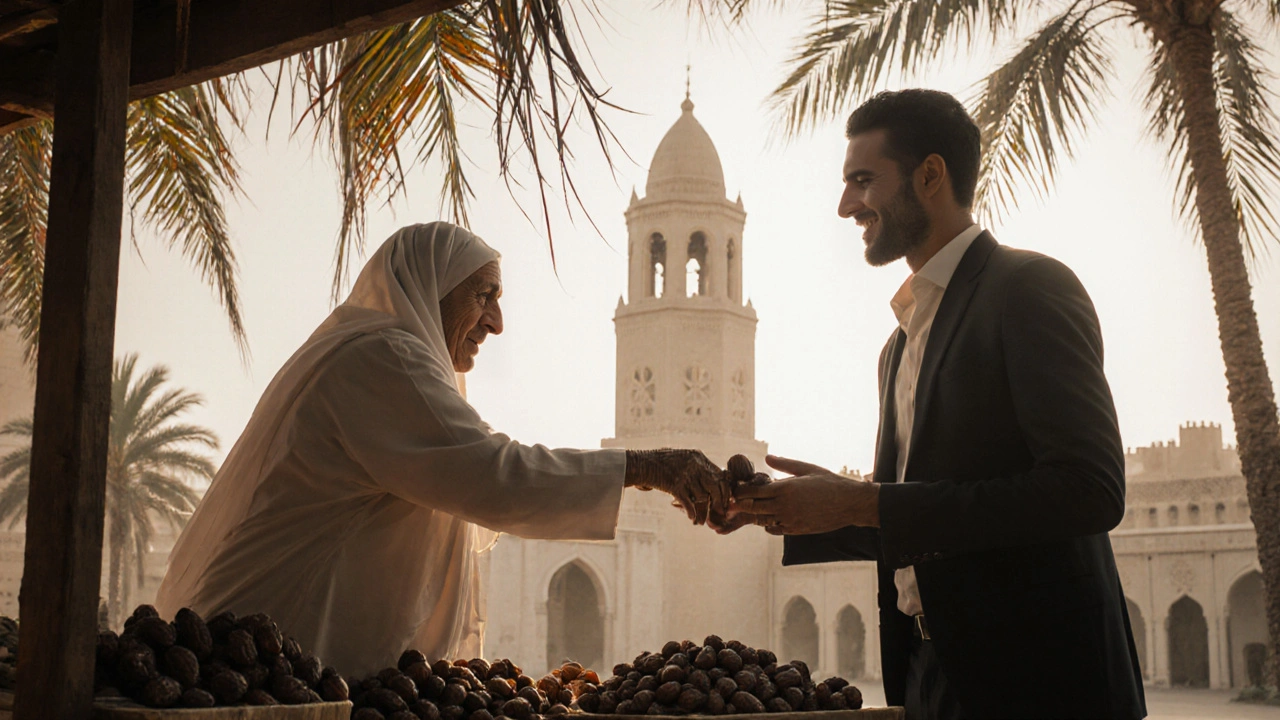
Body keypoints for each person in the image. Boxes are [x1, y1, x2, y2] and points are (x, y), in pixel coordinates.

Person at [725, 90, 1146, 719]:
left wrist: (863, 501)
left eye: (862, 181)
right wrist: (797, 510)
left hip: (1041, 686)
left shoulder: (1027, 289)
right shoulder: (898, 345)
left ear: (930, 175)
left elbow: (1088, 491)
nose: (845, 206)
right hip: (928, 677)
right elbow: (935, 526)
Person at [156, 222, 729, 677]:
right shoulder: (383, 360)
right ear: (428, 291)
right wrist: (651, 465)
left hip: (289, 658)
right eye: (483, 295)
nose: (498, 322)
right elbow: (494, 476)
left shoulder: (391, 361)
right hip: (260, 661)